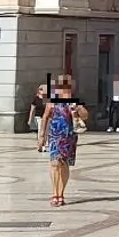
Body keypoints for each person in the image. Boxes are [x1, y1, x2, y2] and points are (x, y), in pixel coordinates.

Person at [36, 74, 89, 206]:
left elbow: (86, 116)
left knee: (64, 165)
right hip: (55, 137)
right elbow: (45, 118)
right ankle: (55, 193)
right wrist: (41, 136)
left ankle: (61, 193)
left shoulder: (74, 102)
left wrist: (78, 108)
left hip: (69, 137)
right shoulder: (52, 103)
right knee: (54, 164)